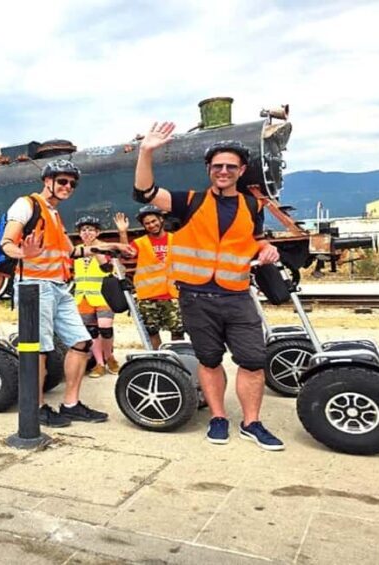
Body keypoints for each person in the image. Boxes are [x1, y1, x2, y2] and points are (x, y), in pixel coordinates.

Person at [132, 122, 284, 451]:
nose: (224, 171)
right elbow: (145, 192)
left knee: (253, 361)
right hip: (196, 297)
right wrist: (146, 152)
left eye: (231, 166)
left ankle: (252, 423)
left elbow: (255, 238)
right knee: (210, 360)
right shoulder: (189, 201)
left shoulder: (252, 205)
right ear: (208, 170)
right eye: (218, 166)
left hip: (237, 295)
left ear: (241, 170)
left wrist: (265, 248)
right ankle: (218, 418)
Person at [0, 159, 132, 427]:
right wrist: (23, 253)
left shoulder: (55, 215)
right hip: (35, 286)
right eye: (62, 181)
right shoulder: (27, 204)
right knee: (39, 349)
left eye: (72, 183)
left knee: (81, 342)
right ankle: (36, 408)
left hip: (60, 287)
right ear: (47, 181)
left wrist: (110, 247)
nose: (68, 186)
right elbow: (6, 243)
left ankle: (70, 404)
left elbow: (71, 252)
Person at [114, 206, 183, 351]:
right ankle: (158, 362)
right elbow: (127, 254)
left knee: (178, 333)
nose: (152, 225)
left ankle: (178, 362)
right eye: (147, 223)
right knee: (152, 333)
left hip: (173, 296)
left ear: (161, 219)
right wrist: (123, 232)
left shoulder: (176, 239)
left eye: (154, 221)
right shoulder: (140, 243)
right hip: (148, 297)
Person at [72, 215, 118, 378]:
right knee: (92, 332)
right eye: (83, 230)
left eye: (90, 229)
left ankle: (110, 357)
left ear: (98, 232)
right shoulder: (77, 250)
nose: (87, 233)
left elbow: (109, 268)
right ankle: (99, 363)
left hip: (103, 296)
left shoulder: (106, 248)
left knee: (105, 329)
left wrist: (96, 250)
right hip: (83, 297)